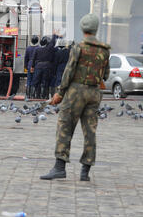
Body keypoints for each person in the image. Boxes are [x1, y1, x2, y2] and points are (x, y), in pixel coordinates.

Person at [40, 13, 110, 182]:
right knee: (90, 131)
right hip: (94, 93)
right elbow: (106, 75)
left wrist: (60, 93)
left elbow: (69, 71)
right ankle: (85, 171)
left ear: (83, 28)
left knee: (65, 126)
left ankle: (59, 167)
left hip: (75, 92)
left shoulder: (79, 47)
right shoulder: (105, 50)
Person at [31, 32, 60, 99]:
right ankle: (45, 96)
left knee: (37, 81)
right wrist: (55, 35)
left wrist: (32, 67)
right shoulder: (49, 49)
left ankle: (36, 95)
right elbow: (53, 42)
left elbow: (33, 59)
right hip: (47, 67)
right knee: (45, 82)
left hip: (38, 66)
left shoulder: (37, 49)